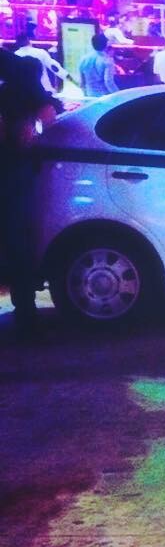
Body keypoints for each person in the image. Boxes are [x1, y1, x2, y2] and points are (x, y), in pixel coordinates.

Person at [0, 50, 57, 339]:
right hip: (13, 168)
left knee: (17, 239)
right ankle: (25, 313)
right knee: (17, 239)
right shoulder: (19, 69)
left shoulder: (17, 68)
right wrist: (32, 136)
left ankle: (25, 313)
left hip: (12, 168)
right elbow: (48, 116)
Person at [78, 31, 120, 98]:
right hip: (105, 97)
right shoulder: (107, 60)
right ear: (106, 44)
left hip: (89, 96)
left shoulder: (83, 59)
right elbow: (108, 82)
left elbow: (82, 83)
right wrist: (119, 95)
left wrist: (85, 96)